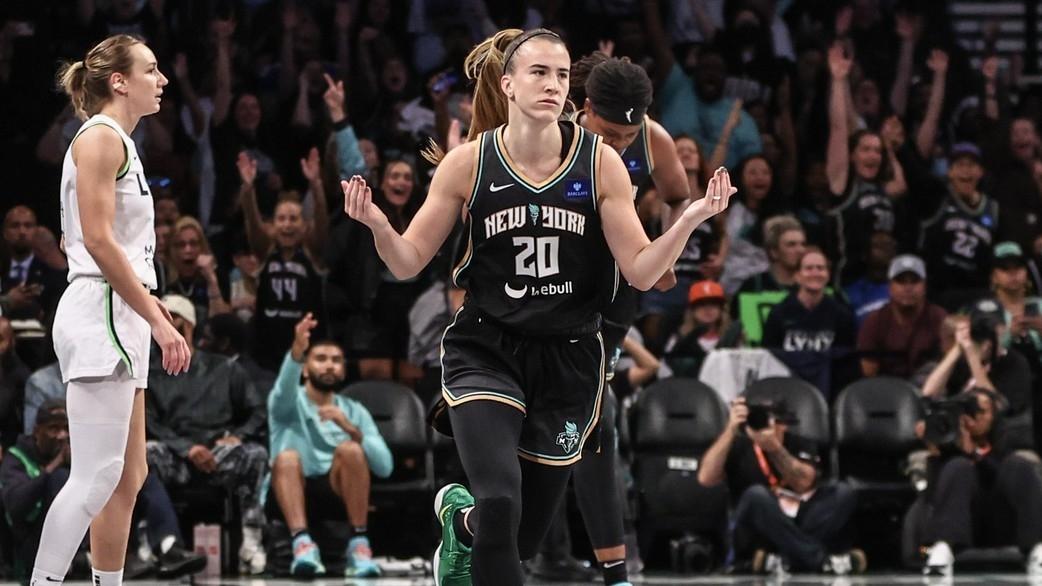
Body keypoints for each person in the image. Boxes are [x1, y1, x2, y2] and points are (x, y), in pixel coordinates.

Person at [341, 28, 734, 586]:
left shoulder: (601, 164)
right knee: (503, 503)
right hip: (488, 347)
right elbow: (405, 262)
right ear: (508, 83)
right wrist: (380, 224)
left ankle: (462, 521)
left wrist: (692, 218)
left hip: (569, 354)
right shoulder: (466, 164)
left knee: (517, 534)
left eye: (559, 74)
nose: (552, 85)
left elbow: (641, 270)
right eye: (538, 72)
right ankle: (517, 531)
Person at [31, 34, 192, 586]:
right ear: (119, 82)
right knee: (96, 474)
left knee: (128, 476)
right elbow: (98, 241)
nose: (162, 79)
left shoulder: (118, 139)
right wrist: (158, 318)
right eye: (151, 69)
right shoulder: (100, 138)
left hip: (116, 309)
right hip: (104, 305)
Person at [1, 400, 205, 580]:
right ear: (37, 431)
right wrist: (54, 467)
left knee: (137, 478)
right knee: (61, 479)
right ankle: (73, 566)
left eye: (66, 428)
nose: (62, 436)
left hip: (91, 533)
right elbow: (15, 507)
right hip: (34, 544)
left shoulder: (78, 449)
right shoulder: (17, 456)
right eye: (53, 429)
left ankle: (168, 546)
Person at [144, 295, 268, 575]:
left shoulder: (225, 368)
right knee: (145, 454)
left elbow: (257, 411)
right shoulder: (149, 372)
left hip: (218, 452)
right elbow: (147, 420)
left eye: (172, 318)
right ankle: (151, 544)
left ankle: (251, 541)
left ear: (188, 325)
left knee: (255, 455)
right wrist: (186, 448)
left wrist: (238, 436)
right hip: (176, 453)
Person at [268, 313, 393, 578]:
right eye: (320, 359)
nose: (329, 366)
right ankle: (302, 545)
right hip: (289, 491)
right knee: (287, 457)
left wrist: (350, 429)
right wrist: (296, 351)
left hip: (337, 493)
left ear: (344, 370)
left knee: (351, 450)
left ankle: (359, 546)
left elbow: (385, 468)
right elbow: (282, 390)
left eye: (336, 361)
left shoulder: (354, 411)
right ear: (304, 368)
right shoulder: (287, 405)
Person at [697, 397, 863, 575]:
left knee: (843, 492)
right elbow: (705, 478)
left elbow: (803, 484)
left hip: (798, 522)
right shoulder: (737, 445)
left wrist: (775, 448)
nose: (763, 425)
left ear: (783, 424)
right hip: (757, 529)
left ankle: (781, 561)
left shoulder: (801, 444)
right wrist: (730, 429)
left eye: (770, 420)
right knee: (756, 495)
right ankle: (820, 561)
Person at [912, 388, 1042, 577]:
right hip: (963, 525)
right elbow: (931, 497)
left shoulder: (1005, 445)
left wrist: (973, 451)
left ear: (994, 416)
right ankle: (942, 550)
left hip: (1001, 521)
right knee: (959, 465)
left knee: (1020, 464)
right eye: (971, 410)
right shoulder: (949, 450)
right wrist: (935, 450)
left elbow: (999, 477)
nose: (977, 417)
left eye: (983, 411)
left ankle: (1038, 548)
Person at [239, 148, 328, 373]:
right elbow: (252, 222)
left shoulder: (311, 251)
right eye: (281, 219)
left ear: (304, 225)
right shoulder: (266, 251)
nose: (287, 225)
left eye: (293, 219)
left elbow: (322, 224)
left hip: (306, 350)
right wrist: (248, 189)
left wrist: (316, 185)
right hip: (268, 347)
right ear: (273, 225)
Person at [762, 249, 857, 398]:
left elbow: (847, 360)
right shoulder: (779, 314)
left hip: (829, 394)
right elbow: (768, 356)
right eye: (809, 268)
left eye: (820, 268)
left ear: (828, 275)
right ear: (797, 276)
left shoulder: (842, 314)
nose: (815, 273)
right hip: (786, 391)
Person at [918, 143, 999, 310]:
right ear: (950, 172)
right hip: (938, 292)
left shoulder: (993, 208)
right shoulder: (937, 198)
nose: (966, 171)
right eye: (960, 165)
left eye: (971, 165)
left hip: (976, 292)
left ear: (980, 172)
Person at [857, 255, 946, 380]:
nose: (908, 288)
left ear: (924, 286)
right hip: (886, 391)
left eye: (914, 281)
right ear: (889, 286)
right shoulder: (874, 321)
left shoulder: (939, 318)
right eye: (901, 281)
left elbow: (948, 365)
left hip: (930, 389)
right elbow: (868, 373)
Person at [663, 280, 743, 377]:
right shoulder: (679, 339)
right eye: (701, 304)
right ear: (692, 310)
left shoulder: (733, 337)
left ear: (722, 309)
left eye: (713, 304)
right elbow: (664, 372)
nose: (708, 309)